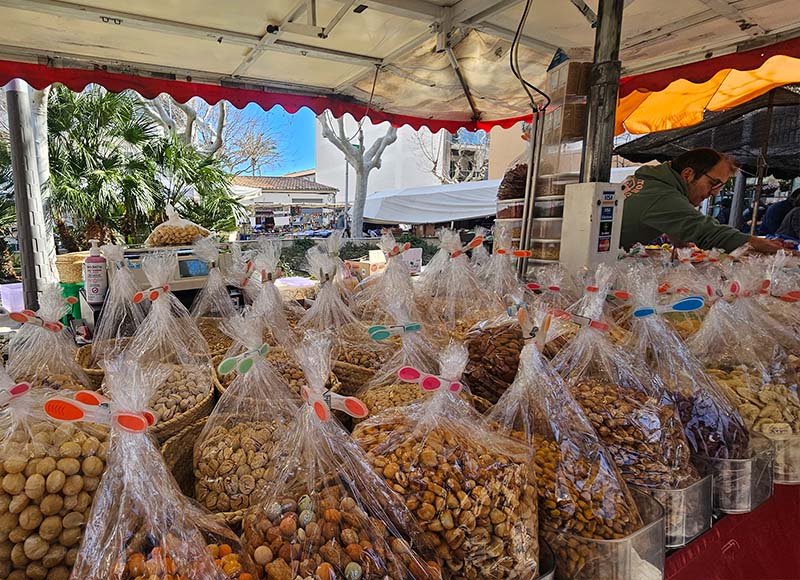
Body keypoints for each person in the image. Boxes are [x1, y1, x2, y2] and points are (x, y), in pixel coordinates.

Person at [620, 148, 786, 253]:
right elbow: (708, 232)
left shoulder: (651, 184)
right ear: (687, 175)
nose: (713, 193)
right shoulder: (661, 195)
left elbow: (671, 218)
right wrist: (762, 244)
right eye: (713, 184)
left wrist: (681, 243)